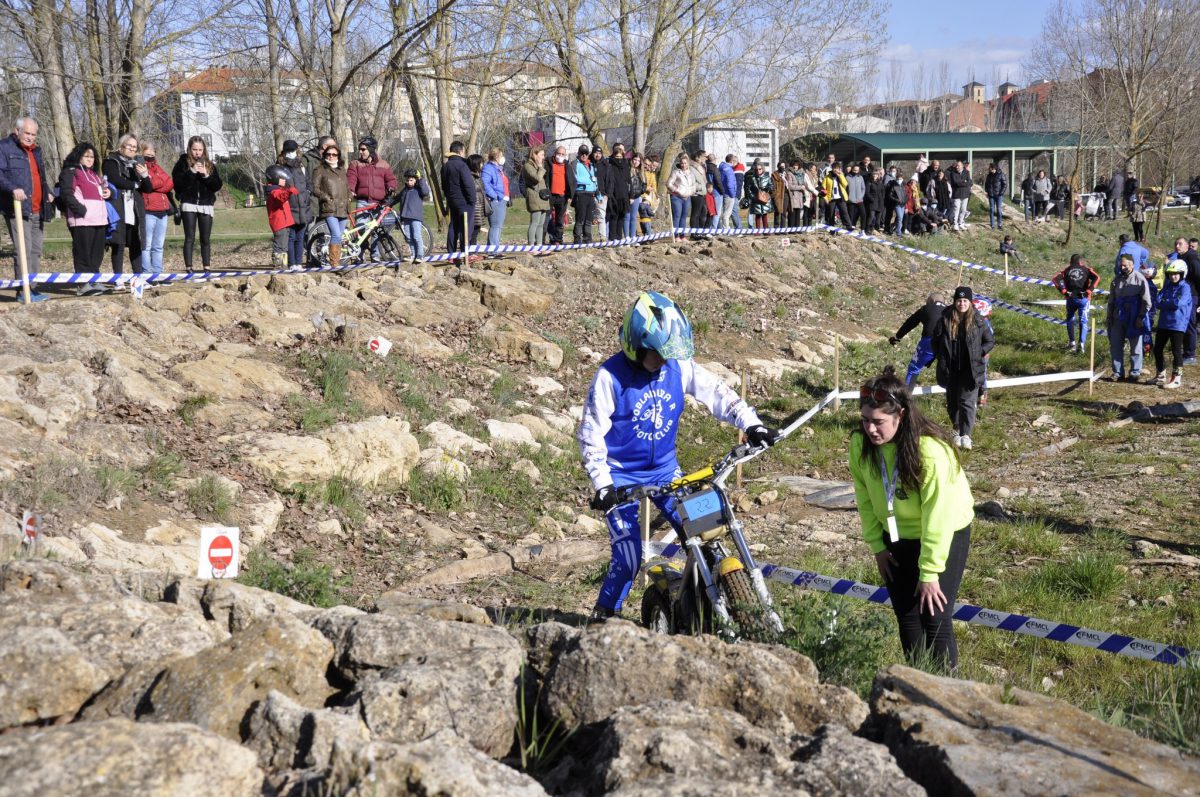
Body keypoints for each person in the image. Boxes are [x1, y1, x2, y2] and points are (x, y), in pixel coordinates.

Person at [577, 290, 780, 621]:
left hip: (667, 472)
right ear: (636, 345)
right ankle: (603, 619)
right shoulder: (610, 377)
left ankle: (708, 608)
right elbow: (590, 434)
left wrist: (752, 424)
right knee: (629, 556)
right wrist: (602, 485)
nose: (664, 362)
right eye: (657, 354)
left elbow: (718, 393)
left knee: (708, 530)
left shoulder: (677, 366)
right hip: (620, 477)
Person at [850, 366, 974, 669]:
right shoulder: (859, 445)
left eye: (879, 422)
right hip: (894, 533)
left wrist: (929, 572)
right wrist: (877, 547)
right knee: (906, 614)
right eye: (865, 420)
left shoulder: (929, 451)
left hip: (944, 530)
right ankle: (916, 683)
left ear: (900, 416)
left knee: (934, 616)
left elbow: (938, 516)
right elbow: (864, 498)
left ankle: (948, 694)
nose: (870, 429)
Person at [932, 286, 994, 449]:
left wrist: (980, 352)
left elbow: (990, 341)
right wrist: (940, 356)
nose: (961, 304)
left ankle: (966, 435)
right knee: (953, 403)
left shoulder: (979, 320)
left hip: (971, 369)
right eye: (959, 300)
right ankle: (957, 429)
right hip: (950, 369)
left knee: (967, 402)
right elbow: (935, 341)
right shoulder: (944, 319)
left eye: (965, 300)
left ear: (970, 302)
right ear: (954, 302)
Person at [0, 117, 54, 301]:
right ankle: (23, 291)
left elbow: (39, 177)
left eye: (33, 134)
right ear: (17, 131)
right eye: (27, 133)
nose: (31, 137)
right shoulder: (5, 147)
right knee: (23, 249)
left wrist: (47, 192)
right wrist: (12, 188)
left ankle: (32, 288)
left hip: (37, 208)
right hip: (18, 208)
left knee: (35, 250)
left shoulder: (36, 151)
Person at [56, 141, 112, 288]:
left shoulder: (94, 174)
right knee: (83, 253)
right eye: (86, 156)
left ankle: (94, 279)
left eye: (92, 157)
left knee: (96, 254)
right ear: (78, 156)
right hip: (82, 220)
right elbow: (67, 194)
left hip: (99, 220)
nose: (89, 159)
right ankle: (83, 283)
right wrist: (81, 210)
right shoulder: (71, 171)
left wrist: (109, 193)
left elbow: (102, 193)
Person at [171, 135, 223, 273]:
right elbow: (178, 184)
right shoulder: (182, 163)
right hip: (189, 204)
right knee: (190, 237)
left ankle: (207, 267)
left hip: (206, 204)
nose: (197, 153)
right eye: (195, 149)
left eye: (200, 150)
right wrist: (192, 172)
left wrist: (206, 175)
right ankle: (189, 268)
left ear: (204, 150)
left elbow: (217, 185)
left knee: (205, 238)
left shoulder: (210, 164)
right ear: (189, 149)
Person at [103, 133, 152, 275]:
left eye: (135, 147)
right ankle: (118, 278)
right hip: (118, 206)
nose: (131, 149)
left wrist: (144, 176)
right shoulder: (110, 161)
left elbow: (147, 188)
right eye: (129, 146)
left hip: (134, 208)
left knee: (136, 242)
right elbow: (115, 179)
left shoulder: (137, 164)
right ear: (121, 145)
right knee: (118, 243)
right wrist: (135, 184)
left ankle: (138, 277)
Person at [347, 136, 397, 255]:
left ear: (371, 149)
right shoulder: (355, 164)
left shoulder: (383, 164)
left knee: (376, 231)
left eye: (363, 149)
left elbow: (391, 179)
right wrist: (351, 190)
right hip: (363, 202)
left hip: (378, 203)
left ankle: (376, 257)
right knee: (360, 230)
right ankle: (359, 255)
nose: (360, 152)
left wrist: (391, 187)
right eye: (360, 149)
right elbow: (351, 179)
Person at [1106, 253, 1152, 382]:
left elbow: (1147, 301)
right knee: (1115, 345)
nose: (1123, 267)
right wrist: (1109, 317)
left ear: (1132, 265)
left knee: (1136, 346)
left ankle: (1135, 372)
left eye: (1125, 265)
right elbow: (1111, 300)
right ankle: (1117, 372)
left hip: (1134, 317)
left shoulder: (1140, 279)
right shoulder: (1116, 280)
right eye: (1121, 265)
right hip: (1117, 316)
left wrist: (1140, 317)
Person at [890, 292, 947, 386]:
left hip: (929, 340)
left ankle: (906, 397)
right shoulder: (950, 310)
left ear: (931, 301)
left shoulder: (926, 308)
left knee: (913, 369)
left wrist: (897, 337)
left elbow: (910, 323)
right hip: (948, 342)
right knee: (948, 371)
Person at [1153, 262, 1194, 389]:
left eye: (1176, 274)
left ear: (1182, 274)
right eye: (1170, 274)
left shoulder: (1185, 288)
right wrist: (1169, 302)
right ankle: (1160, 375)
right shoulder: (1167, 286)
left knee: (1176, 351)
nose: (1173, 276)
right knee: (1157, 349)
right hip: (1164, 322)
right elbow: (1157, 302)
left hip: (1177, 324)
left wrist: (1166, 302)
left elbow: (1178, 304)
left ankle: (1177, 378)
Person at [1051, 254, 1101, 353]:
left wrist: (1064, 291)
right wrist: (1089, 290)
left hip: (1071, 298)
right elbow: (1097, 277)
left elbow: (1055, 279)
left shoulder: (1066, 270)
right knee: (1083, 321)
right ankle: (1081, 344)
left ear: (1071, 261)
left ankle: (1072, 343)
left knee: (1070, 319)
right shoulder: (1086, 269)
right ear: (1080, 261)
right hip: (1084, 298)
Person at [311, 142, 350, 267]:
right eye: (329, 154)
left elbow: (347, 186)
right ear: (325, 155)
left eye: (334, 154)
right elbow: (314, 188)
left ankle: (337, 260)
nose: (331, 156)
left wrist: (350, 196)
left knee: (340, 236)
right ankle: (334, 263)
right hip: (329, 207)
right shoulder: (320, 170)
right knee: (336, 234)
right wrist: (326, 197)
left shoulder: (342, 170)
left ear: (338, 156)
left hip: (343, 207)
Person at [138, 142, 174, 276]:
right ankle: (147, 273)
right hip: (148, 211)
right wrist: (155, 183)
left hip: (162, 212)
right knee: (146, 246)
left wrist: (154, 185)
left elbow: (169, 183)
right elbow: (148, 184)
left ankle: (158, 274)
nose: (151, 155)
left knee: (158, 246)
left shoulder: (158, 167)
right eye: (147, 153)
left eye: (152, 152)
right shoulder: (140, 167)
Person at [1165, 236, 1200, 365]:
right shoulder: (1181, 258)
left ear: (1187, 246)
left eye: (1180, 244)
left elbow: (1198, 276)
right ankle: (1185, 353)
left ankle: (1190, 355)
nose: (1177, 246)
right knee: (1183, 323)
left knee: (1190, 323)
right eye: (1175, 244)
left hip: (1193, 295)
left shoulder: (1191, 257)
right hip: (1183, 295)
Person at [439, 140, 476, 259]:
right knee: (466, 228)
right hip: (464, 201)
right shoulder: (462, 165)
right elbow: (468, 185)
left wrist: (450, 197)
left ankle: (451, 253)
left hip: (452, 201)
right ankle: (466, 253)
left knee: (453, 226)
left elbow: (443, 186)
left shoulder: (445, 166)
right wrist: (472, 200)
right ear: (460, 152)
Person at [278, 140, 312, 268]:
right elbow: (279, 186)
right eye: (288, 151)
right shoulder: (281, 168)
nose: (291, 153)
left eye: (293, 151)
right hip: (289, 207)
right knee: (291, 237)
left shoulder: (302, 167)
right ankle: (292, 263)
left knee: (301, 237)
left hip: (303, 206)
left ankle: (299, 263)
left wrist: (309, 192)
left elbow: (308, 182)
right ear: (284, 152)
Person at [265, 164, 298, 268]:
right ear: (275, 179)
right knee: (280, 246)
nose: (285, 180)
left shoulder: (278, 189)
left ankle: (283, 266)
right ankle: (278, 266)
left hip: (285, 222)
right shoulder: (273, 191)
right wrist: (288, 191)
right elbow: (280, 197)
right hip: (279, 224)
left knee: (284, 247)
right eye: (282, 179)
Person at [396, 168, 430, 263]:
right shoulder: (405, 190)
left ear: (416, 180)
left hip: (415, 217)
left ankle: (420, 255)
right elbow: (396, 198)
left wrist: (420, 180)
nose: (409, 182)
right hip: (406, 217)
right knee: (409, 237)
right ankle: (413, 255)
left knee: (416, 236)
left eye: (411, 180)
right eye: (407, 180)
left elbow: (426, 192)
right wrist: (387, 203)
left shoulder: (419, 189)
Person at [568, 144, 597, 244]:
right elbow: (573, 178)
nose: (584, 155)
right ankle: (577, 239)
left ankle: (587, 238)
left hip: (591, 194)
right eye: (582, 153)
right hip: (581, 193)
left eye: (586, 153)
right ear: (578, 153)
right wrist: (588, 181)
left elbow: (595, 179)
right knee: (580, 219)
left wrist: (596, 191)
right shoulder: (574, 164)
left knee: (589, 219)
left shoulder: (591, 165)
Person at [303, 136, 337, 220]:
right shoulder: (307, 159)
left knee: (326, 231)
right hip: (312, 202)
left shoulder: (332, 160)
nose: (335, 148)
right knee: (311, 230)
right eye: (333, 146)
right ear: (325, 146)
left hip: (328, 204)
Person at [481, 147, 508, 247]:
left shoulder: (498, 169)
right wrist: (495, 196)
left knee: (498, 226)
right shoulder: (488, 168)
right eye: (501, 155)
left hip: (501, 199)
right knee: (495, 226)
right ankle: (493, 249)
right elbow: (485, 183)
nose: (502, 158)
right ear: (496, 157)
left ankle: (493, 247)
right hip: (495, 200)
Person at [603, 143, 631, 241]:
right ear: (614, 155)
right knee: (613, 217)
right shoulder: (609, 164)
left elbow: (629, 181)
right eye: (617, 156)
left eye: (620, 156)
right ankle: (612, 237)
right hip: (614, 194)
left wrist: (630, 196)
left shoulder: (626, 165)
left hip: (624, 195)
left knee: (621, 217)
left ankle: (619, 237)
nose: (619, 158)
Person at [665, 152, 694, 242]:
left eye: (685, 163)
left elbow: (693, 184)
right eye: (682, 163)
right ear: (680, 164)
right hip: (677, 197)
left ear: (688, 163)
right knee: (677, 215)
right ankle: (676, 235)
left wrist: (691, 191)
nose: (684, 165)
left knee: (684, 217)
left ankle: (683, 235)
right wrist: (676, 190)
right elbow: (668, 184)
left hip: (687, 197)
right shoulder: (676, 172)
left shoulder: (691, 173)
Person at [523, 148, 549, 245]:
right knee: (534, 222)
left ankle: (539, 245)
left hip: (543, 197)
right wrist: (540, 167)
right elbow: (537, 178)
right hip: (534, 197)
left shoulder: (540, 167)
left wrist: (540, 167)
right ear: (535, 155)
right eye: (541, 155)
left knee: (541, 224)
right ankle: (531, 245)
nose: (543, 157)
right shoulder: (527, 166)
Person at [545, 145, 569, 245]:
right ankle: (545, 238)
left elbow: (571, 181)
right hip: (550, 196)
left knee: (560, 220)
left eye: (563, 154)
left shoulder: (567, 165)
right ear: (555, 153)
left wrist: (570, 195)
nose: (560, 156)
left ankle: (558, 240)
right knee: (547, 219)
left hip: (562, 196)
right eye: (559, 154)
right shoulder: (548, 164)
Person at [742, 159, 774, 230]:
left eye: (760, 169)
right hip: (756, 199)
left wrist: (767, 189)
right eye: (756, 169)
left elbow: (771, 185)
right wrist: (753, 197)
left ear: (762, 169)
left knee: (765, 215)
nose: (758, 171)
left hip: (765, 198)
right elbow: (748, 189)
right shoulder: (752, 178)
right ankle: (757, 231)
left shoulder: (767, 177)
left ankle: (766, 230)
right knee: (758, 216)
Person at [625, 152, 647, 238]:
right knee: (627, 217)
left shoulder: (641, 172)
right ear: (631, 160)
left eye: (638, 160)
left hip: (636, 197)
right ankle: (627, 237)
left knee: (634, 218)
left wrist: (637, 194)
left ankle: (633, 236)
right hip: (627, 197)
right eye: (635, 159)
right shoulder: (627, 170)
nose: (636, 162)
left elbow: (644, 186)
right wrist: (630, 196)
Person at [822, 162, 849, 228]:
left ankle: (849, 227)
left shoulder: (841, 175)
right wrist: (825, 198)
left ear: (839, 169)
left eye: (837, 168)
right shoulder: (827, 177)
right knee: (831, 214)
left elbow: (845, 184)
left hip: (840, 197)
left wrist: (840, 175)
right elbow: (823, 188)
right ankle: (832, 229)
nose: (836, 170)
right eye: (834, 168)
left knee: (844, 212)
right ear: (832, 168)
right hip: (831, 198)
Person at [468, 153, 487, 247]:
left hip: (479, 206)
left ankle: (473, 249)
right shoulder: (471, 177)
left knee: (476, 230)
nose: (482, 165)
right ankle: (471, 252)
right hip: (475, 207)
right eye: (481, 163)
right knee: (473, 230)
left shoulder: (478, 176)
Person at [948, 160, 972, 230]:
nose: (957, 167)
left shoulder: (966, 172)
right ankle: (955, 224)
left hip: (965, 194)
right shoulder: (953, 173)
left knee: (963, 210)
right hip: (957, 194)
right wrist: (965, 182)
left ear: (962, 166)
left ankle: (960, 223)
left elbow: (970, 182)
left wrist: (964, 183)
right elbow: (956, 183)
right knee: (956, 210)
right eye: (956, 166)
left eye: (959, 165)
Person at [717, 154, 738, 229]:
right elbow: (730, 183)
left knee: (723, 212)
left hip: (723, 192)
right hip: (729, 193)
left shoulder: (722, 167)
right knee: (727, 213)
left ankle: (723, 228)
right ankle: (726, 229)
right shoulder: (729, 170)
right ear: (732, 161)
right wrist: (732, 194)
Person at [984, 162, 1006, 230]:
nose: (989, 169)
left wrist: (1001, 193)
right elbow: (986, 184)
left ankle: (999, 225)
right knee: (992, 210)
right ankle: (992, 225)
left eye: (990, 168)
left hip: (998, 195)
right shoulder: (989, 176)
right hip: (991, 195)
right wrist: (987, 191)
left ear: (994, 168)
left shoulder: (1001, 174)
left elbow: (1005, 184)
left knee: (999, 210)